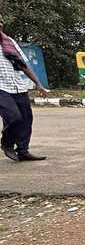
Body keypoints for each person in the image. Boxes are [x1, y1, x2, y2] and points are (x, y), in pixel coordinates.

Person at [0, 14, 50, 162]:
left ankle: (23, 150)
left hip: (17, 86)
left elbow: (23, 65)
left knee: (26, 118)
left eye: (1, 22)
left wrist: (38, 84)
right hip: (1, 88)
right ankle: (7, 143)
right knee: (13, 117)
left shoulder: (9, 43)